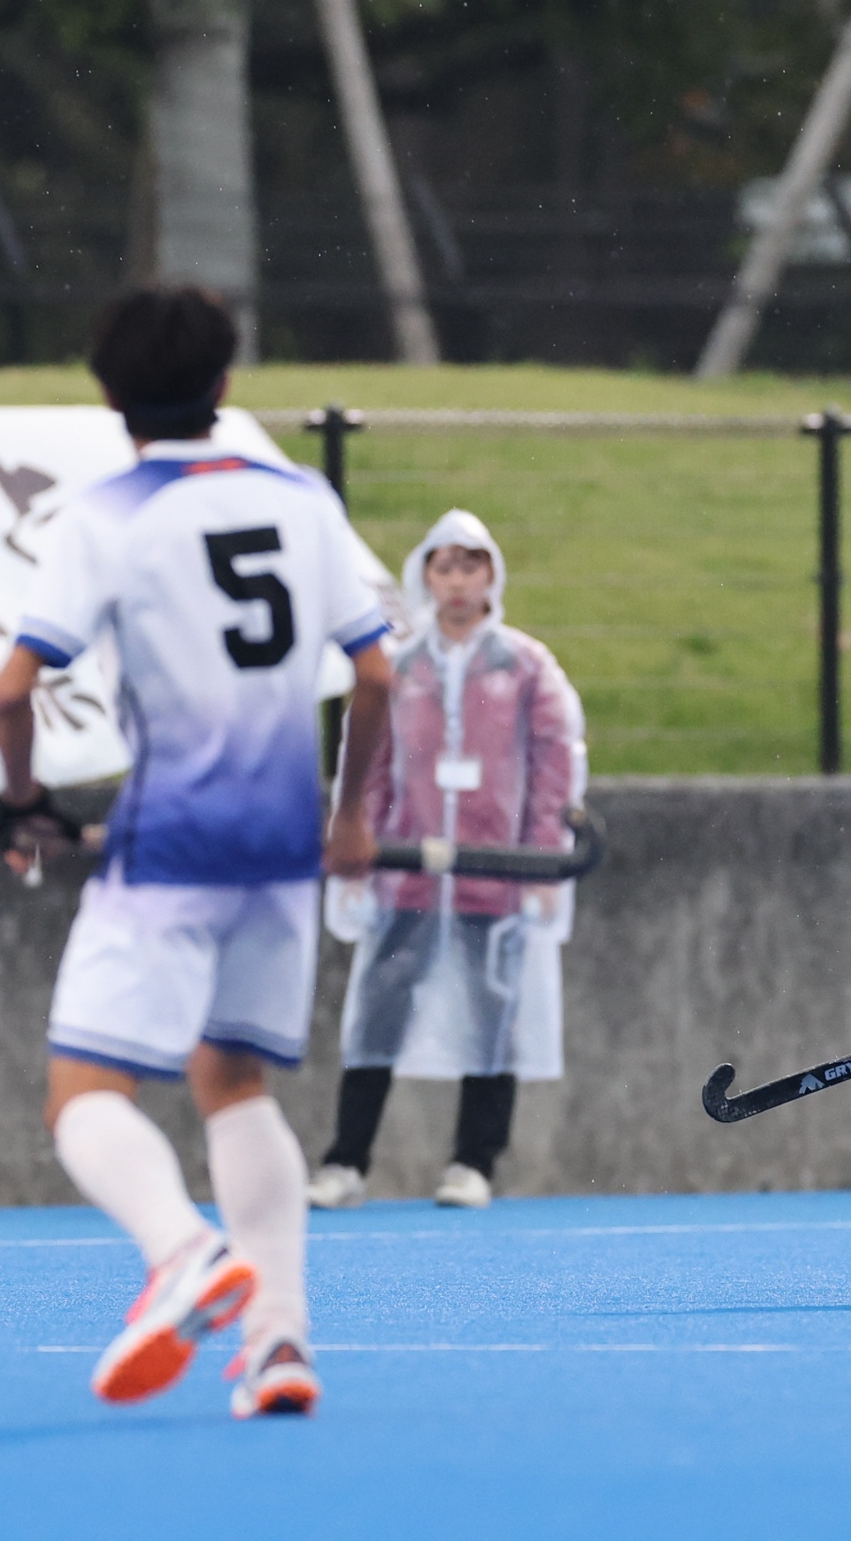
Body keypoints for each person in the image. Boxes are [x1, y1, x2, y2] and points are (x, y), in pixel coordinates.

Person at [0, 284, 393, 1417]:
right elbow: (374, 671)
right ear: (223, 384)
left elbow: (12, 690)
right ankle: (279, 1342)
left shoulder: (110, 515)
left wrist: (22, 801)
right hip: (283, 847)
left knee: (83, 1092)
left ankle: (182, 1251)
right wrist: (351, 818)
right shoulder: (301, 497)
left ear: (108, 394)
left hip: (169, 844)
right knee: (234, 1080)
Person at [308, 510, 584, 1212]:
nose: (458, 581)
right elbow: (370, 762)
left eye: (470, 565)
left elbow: (554, 765)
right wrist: (360, 847)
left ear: (491, 575)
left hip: (494, 873)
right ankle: (345, 1160)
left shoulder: (526, 666)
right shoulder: (399, 666)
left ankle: (473, 1160)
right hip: (408, 870)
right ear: (425, 577)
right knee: (377, 1013)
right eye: (445, 566)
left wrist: (541, 859)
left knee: (493, 1014)